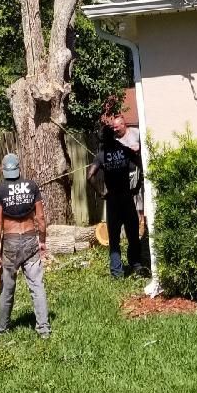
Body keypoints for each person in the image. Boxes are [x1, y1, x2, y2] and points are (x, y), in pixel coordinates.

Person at [0, 153, 50, 339]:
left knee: (7, 288)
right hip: (31, 239)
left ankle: (1, 329)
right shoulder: (31, 186)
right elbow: (40, 217)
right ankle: (44, 329)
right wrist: (42, 240)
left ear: (2, 169)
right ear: (18, 168)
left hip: (11, 243)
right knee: (37, 286)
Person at [88, 114, 143, 278]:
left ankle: (117, 272)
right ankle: (136, 265)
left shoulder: (101, 155)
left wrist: (101, 193)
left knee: (114, 237)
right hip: (127, 197)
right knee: (133, 233)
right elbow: (140, 167)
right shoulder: (125, 151)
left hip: (112, 200)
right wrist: (136, 187)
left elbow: (89, 176)